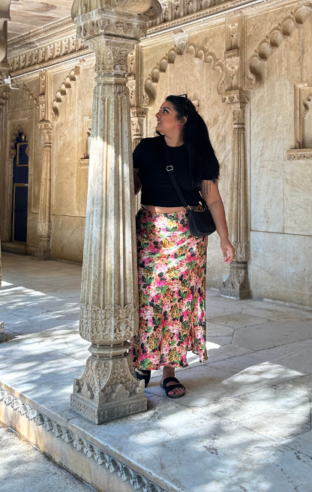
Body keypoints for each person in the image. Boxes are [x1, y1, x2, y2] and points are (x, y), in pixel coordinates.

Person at [129, 95, 236, 398]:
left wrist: (225, 239)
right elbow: (133, 186)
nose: (158, 114)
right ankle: (142, 363)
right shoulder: (146, 149)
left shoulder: (197, 154)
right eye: (160, 110)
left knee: (176, 303)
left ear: (181, 120)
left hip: (186, 239)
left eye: (165, 111)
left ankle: (169, 371)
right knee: (147, 299)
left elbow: (213, 199)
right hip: (151, 232)